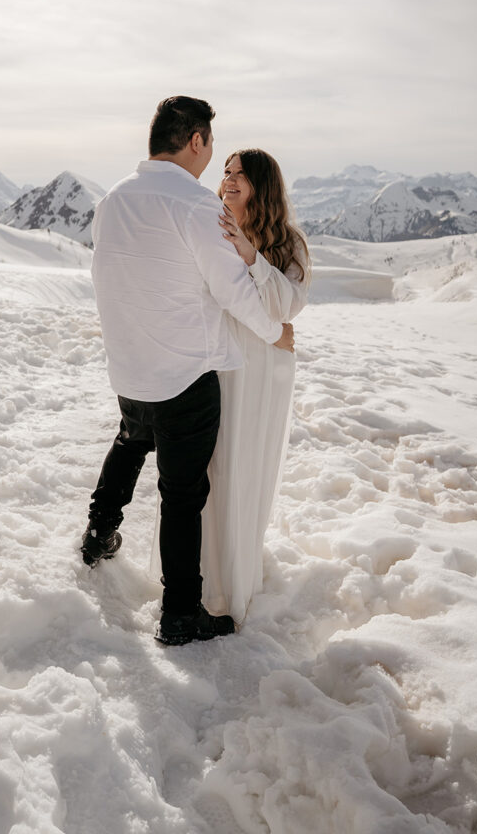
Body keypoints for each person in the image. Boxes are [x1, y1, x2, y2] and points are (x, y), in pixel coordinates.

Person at [80, 96, 294, 646]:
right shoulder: (195, 205)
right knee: (182, 494)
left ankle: (100, 532)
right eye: (211, 147)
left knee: (131, 440)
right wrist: (277, 333)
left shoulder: (113, 201)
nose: (212, 161)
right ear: (195, 140)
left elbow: (108, 279)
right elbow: (234, 289)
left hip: (129, 367)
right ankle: (180, 614)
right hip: (185, 374)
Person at [201, 149, 310, 624]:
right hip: (221, 360)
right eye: (224, 172)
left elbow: (288, 307)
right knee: (213, 467)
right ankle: (204, 579)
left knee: (248, 466)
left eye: (239, 174)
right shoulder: (210, 224)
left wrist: (252, 256)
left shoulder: (289, 242)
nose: (228, 180)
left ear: (261, 183)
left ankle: (235, 578)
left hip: (265, 368)